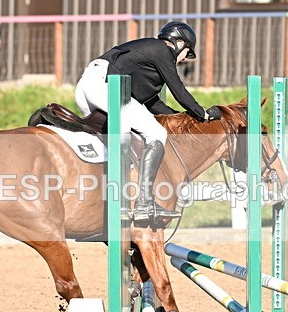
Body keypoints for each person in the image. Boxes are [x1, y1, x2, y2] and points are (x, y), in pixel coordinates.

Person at [75, 20, 221, 224]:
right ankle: (143, 203)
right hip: (106, 87)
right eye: (186, 53)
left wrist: (181, 117)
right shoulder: (162, 49)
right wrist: (202, 113)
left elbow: (153, 103)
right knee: (157, 134)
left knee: (128, 137)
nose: (183, 60)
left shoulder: (146, 56)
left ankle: (107, 195)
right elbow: (178, 89)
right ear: (178, 42)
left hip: (86, 88)